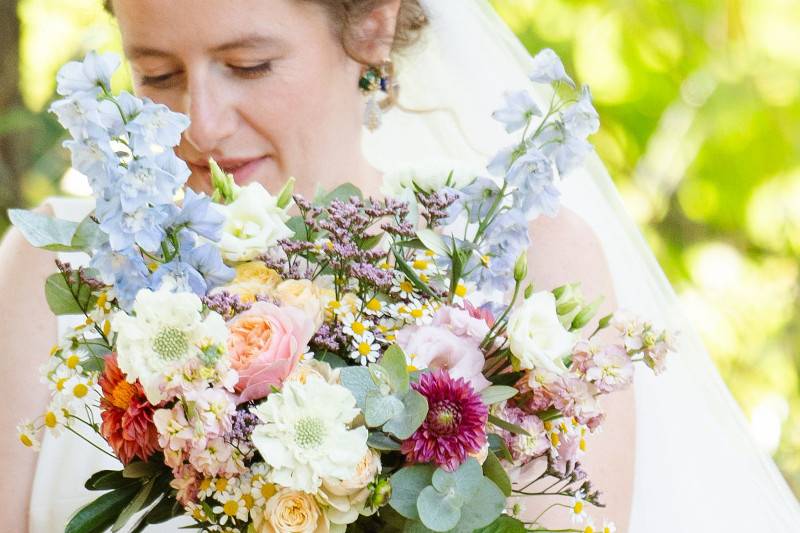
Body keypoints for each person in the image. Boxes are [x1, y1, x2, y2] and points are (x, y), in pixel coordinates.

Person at [0, 1, 796, 532]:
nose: (199, 124)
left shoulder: (525, 262)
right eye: (158, 75)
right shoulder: (57, 267)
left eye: (248, 65)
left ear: (371, 29)